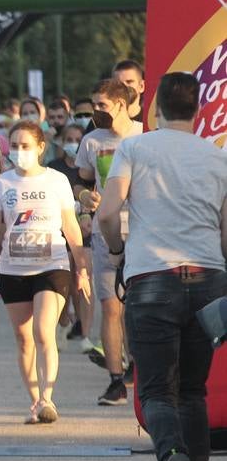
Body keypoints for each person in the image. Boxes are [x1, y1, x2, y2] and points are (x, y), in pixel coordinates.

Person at [96, 71, 227, 461]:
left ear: (154, 109)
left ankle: (171, 457)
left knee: (155, 389)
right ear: (198, 110)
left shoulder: (135, 148)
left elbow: (108, 213)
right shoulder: (217, 157)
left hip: (152, 277)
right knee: (193, 391)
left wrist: (116, 250)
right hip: (209, 279)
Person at [0, 122, 90, 424]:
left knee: (43, 331)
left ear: (41, 147)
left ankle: (48, 397)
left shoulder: (56, 181)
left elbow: (71, 226)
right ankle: (34, 403)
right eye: (15, 146)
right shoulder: (2, 184)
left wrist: (81, 267)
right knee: (23, 339)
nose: (20, 152)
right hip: (13, 268)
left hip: (52, 265)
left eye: (26, 146)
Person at [76, 79, 143, 406]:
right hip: (106, 231)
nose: (96, 111)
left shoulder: (144, 134)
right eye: (94, 105)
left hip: (144, 230)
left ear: (120, 104)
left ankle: (141, 370)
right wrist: (84, 196)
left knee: (139, 305)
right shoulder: (91, 141)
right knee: (110, 306)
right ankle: (116, 381)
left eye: (102, 105)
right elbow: (82, 182)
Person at [51, 122, 98, 353]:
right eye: (68, 139)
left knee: (84, 278)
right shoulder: (53, 168)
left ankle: (85, 334)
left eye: (77, 140)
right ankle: (62, 322)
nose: (73, 144)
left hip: (85, 229)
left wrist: (87, 214)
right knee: (66, 281)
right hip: (58, 231)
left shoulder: (87, 169)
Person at [113, 59, 146, 123]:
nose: (124, 87)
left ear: (142, 86)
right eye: (119, 83)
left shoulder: (150, 122)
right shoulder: (103, 121)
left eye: (129, 82)